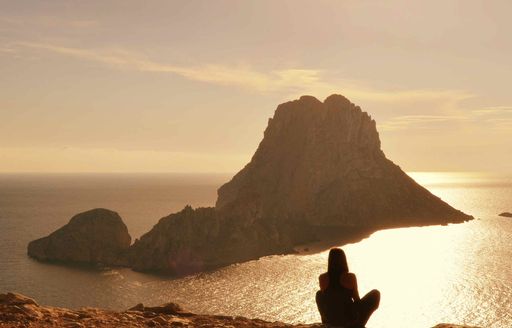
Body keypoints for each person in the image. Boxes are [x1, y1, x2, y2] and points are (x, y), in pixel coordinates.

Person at [315, 248, 380, 327]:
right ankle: (359, 324)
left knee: (318, 294)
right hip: (348, 319)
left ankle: (326, 321)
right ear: (343, 260)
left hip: (330, 318)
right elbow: (356, 299)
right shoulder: (350, 277)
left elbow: (327, 301)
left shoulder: (322, 278)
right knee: (375, 294)